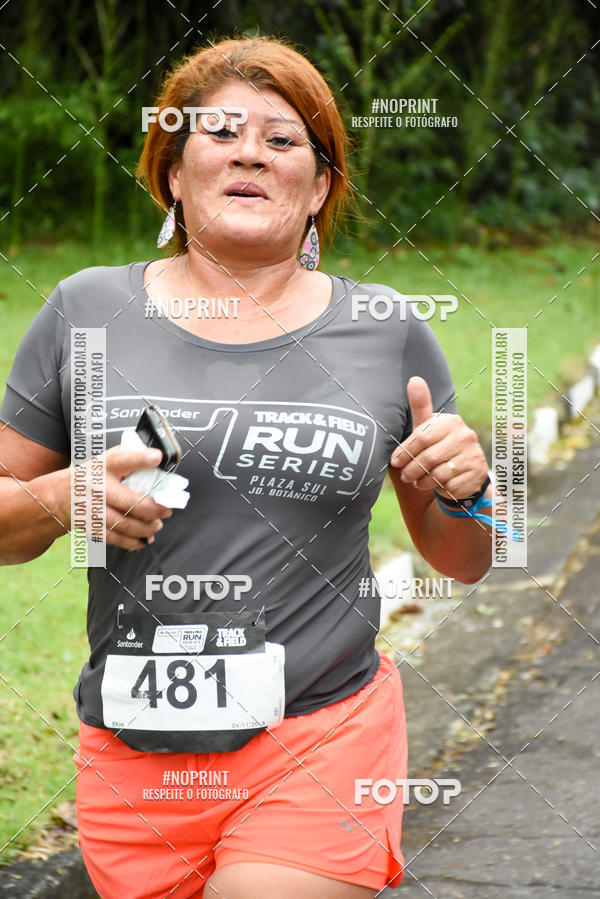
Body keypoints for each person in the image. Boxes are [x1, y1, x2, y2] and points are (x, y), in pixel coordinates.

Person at [0, 36, 494, 899]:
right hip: (133, 752)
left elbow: (465, 557)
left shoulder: (386, 327)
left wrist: (472, 489)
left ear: (320, 187)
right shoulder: (85, 308)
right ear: (174, 176)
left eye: (282, 138)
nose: (249, 152)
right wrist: (58, 495)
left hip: (323, 736)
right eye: (221, 132)